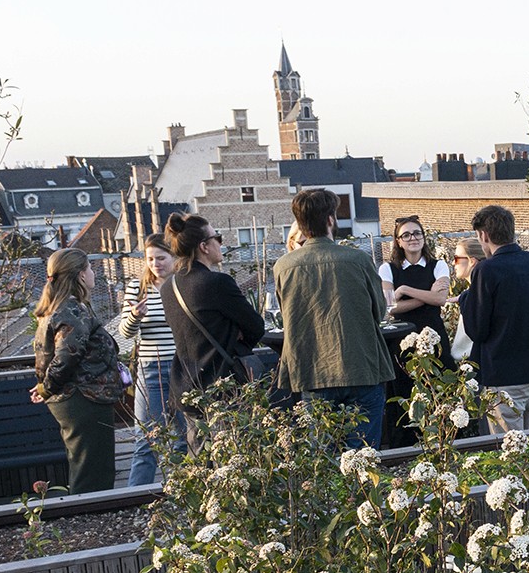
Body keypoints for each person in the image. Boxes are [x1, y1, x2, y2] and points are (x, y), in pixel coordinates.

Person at [273, 188, 400, 449]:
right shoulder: (358, 259)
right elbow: (379, 311)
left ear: (300, 223)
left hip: (313, 371)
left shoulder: (283, 266)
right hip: (362, 367)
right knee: (363, 456)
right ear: (331, 219)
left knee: (324, 458)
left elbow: (286, 316)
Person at [30, 248, 125, 493]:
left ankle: (90, 513)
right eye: (90, 268)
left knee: (88, 468)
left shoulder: (60, 308)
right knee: (93, 473)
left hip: (80, 398)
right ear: (81, 275)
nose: (93, 273)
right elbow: (66, 357)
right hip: (84, 399)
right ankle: (92, 515)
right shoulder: (71, 310)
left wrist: (46, 387)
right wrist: (45, 388)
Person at [161, 212, 267, 410]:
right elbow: (256, 326)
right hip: (223, 387)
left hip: (187, 390)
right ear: (204, 247)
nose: (220, 243)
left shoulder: (168, 287)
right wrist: (236, 335)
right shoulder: (216, 283)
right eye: (217, 238)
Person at [460, 204, 529, 433]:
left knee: (507, 447)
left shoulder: (487, 270)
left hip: (503, 372)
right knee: (523, 437)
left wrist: (465, 300)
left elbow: (477, 329)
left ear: (484, 235)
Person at [113, 234, 185, 486]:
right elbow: (124, 334)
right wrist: (135, 316)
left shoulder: (182, 285)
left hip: (182, 368)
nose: (156, 264)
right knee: (147, 439)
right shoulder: (138, 287)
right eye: (150, 259)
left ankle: (182, 491)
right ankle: (135, 496)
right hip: (151, 368)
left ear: (174, 257)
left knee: (185, 438)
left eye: (161, 258)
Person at [380, 215, 451, 351]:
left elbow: (440, 299)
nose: (413, 238)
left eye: (417, 233)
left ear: (423, 237)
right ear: (398, 242)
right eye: (406, 235)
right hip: (401, 340)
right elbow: (390, 306)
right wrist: (429, 296)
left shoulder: (439, 265)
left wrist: (404, 290)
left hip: (434, 338)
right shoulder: (387, 269)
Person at [448, 236, 484, 362]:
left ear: (471, 261)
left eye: (457, 258)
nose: (453, 263)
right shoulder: (474, 292)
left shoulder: (474, 297)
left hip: (473, 362)